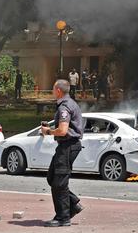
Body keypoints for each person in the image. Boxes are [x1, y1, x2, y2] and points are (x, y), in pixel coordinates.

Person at [40, 79, 84, 227]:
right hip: (66, 146)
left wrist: (48, 131)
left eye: (53, 89)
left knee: (59, 182)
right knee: (52, 177)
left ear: (58, 90)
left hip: (68, 146)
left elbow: (63, 130)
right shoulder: (69, 103)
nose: (53, 92)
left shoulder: (64, 106)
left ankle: (63, 217)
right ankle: (73, 204)